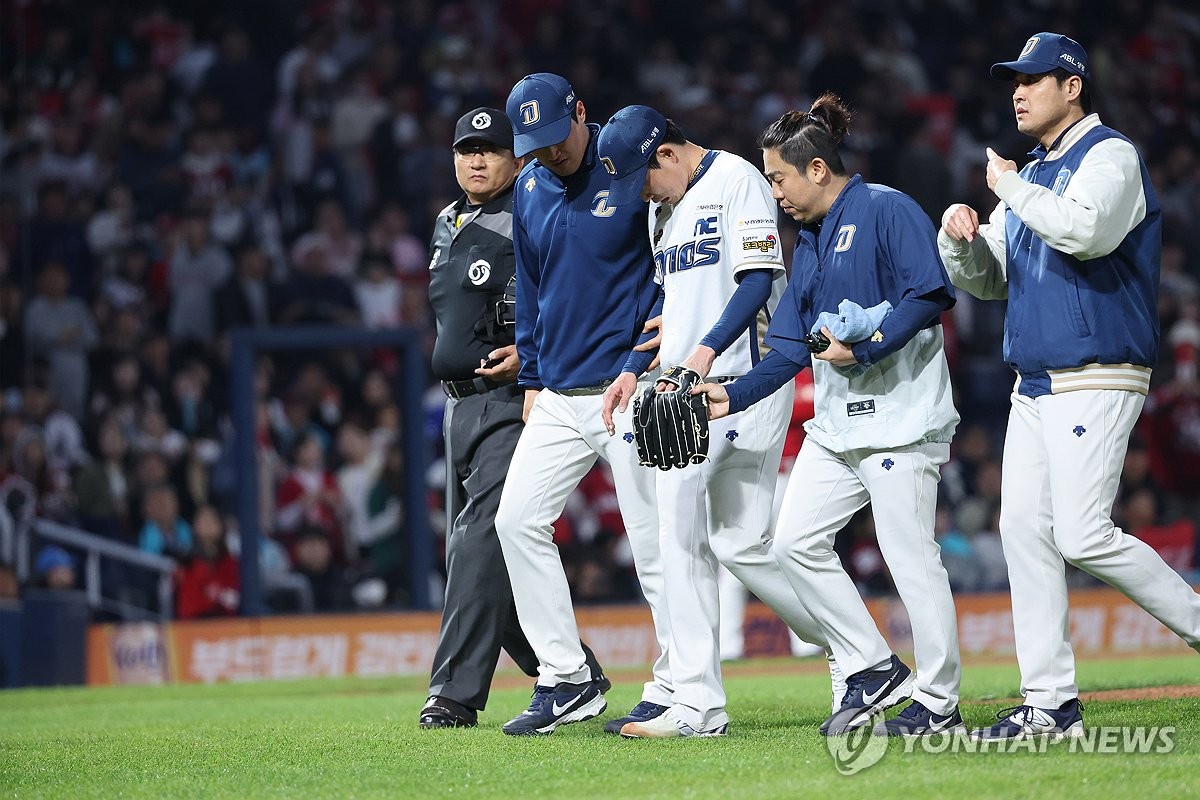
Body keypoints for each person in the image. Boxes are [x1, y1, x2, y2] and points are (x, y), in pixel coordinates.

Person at [936, 32, 1200, 740]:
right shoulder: (1029, 173)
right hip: (1035, 381)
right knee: (1023, 529)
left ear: (1073, 85)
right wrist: (959, 240)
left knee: (1083, 533)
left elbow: (1085, 232)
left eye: (1032, 79)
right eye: (1012, 81)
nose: (1017, 91)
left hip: (1098, 371)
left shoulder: (1108, 155)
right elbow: (989, 278)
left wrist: (1008, 188)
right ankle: (1050, 704)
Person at [693, 94, 964, 737]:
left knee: (908, 554)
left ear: (817, 169)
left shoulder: (887, 207)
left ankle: (939, 700)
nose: (774, 192)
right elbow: (787, 346)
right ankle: (871, 664)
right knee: (793, 543)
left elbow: (930, 294)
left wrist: (866, 345)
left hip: (902, 416)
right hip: (840, 426)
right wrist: (732, 394)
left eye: (778, 178)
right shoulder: (808, 241)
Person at [596, 105, 842, 738]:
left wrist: (701, 354)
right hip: (687, 386)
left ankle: (698, 704)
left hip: (740, 382)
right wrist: (632, 364)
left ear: (669, 155)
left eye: (642, 177)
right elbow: (661, 295)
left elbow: (758, 279)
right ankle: (855, 647)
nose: (640, 192)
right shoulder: (662, 209)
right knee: (738, 543)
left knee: (679, 532)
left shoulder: (739, 181)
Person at [419, 107, 608, 729]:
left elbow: (572, 291)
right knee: (478, 548)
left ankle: (453, 694)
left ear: (518, 156)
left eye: (491, 149)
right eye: (466, 149)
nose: (476, 159)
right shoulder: (448, 221)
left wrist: (532, 355)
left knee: (481, 539)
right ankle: (573, 669)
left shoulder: (532, 209)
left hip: (513, 402)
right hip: (459, 405)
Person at [494, 74, 671, 736]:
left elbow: (664, 276)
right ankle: (566, 676)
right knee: (516, 522)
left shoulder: (627, 165)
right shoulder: (531, 184)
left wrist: (639, 362)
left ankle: (677, 680)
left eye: (555, 137)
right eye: (533, 144)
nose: (548, 153)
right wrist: (532, 380)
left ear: (582, 113)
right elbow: (532, 290)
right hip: (560, 393)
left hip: (625, 389)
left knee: (652, 543)